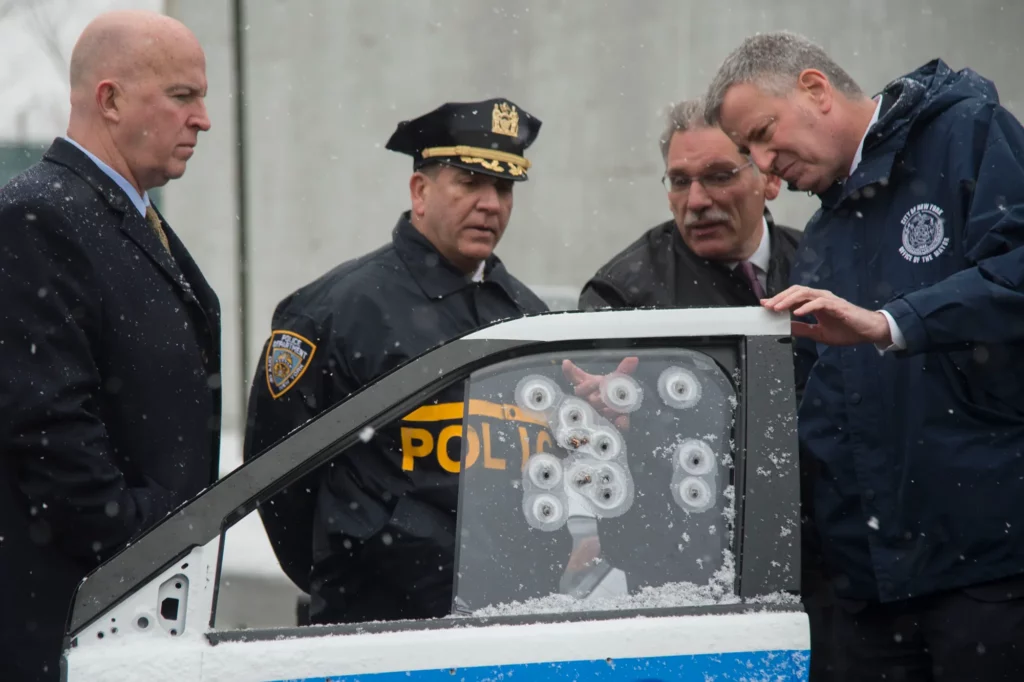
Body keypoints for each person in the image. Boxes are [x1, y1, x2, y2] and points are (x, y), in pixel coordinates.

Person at [705, 30, 1024, 681]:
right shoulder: (823, 233)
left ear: (815, 89)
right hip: (868, 595)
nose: (764, 166)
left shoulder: (968, 134)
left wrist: (891, 323)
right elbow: (806, 410)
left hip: (988, 574)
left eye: (764, 134)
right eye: (749, 153)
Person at [243, 98, 549, 624]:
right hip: (378, 628)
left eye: (503, 187)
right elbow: (278, 484)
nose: (490, 203)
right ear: (420, 191)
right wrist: (361, 570)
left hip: (509, 620)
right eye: (469, 182)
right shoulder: (333, 312)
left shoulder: (529, 316)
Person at [0, 9, 217, 682]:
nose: (203, 118)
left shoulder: (126, 216)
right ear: (111, 99)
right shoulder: (38, 217)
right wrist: (141, 536)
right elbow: (47, 426)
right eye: (183, 96)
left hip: (132, 611)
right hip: (75, 619)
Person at [578, 96, 800, 311]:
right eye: (680, 181)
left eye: (719, 177)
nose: (696, 201)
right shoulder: (621, 297)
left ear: (770, 178)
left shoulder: (822, 263)